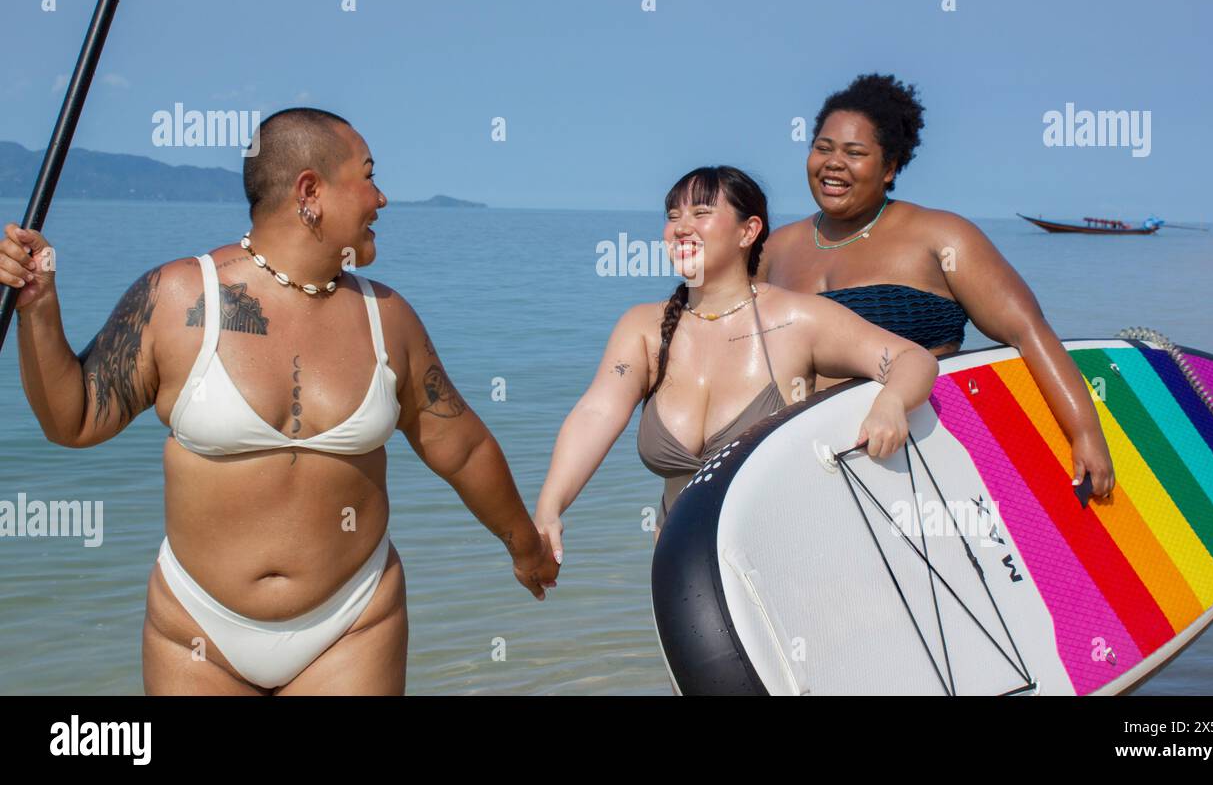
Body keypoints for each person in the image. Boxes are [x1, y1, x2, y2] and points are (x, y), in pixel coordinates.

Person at [3, 107, 557, 695]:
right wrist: (38, 308)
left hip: (352, 625)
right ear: (310, 191)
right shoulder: (179, 298)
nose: (383, 199)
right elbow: (75, 420)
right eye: (368, 176)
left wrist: (525, 547)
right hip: (197, 631)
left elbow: (463, 449)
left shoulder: (387, 318)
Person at [533, 165, 938, 556]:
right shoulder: (644, 328)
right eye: (673, 216)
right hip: (686, 573)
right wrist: (550, 507)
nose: (681, 226)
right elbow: (597, 412)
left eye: (701, 212)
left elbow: (911, 358)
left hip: (788, 557)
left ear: (749, 231)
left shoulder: (797, 320)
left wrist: (891, 403)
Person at [759, 73, 1115, 498]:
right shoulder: (774, 249)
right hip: (809, 467)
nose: (834, 163)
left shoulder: (941, 236)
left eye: (855, 153)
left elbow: (1028, 331)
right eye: (823, 148)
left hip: (918, 464)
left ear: (889, 168)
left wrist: (1085, 433)